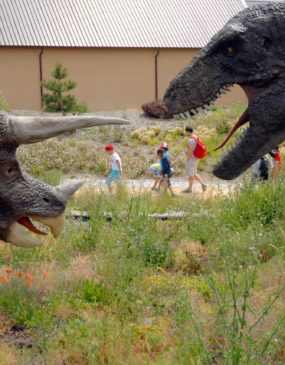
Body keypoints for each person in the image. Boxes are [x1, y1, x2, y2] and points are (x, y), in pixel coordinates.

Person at [183, 127, 207, 193]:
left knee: (190, 174)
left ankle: (189, 189)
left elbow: (190, 151)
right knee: (194, 173)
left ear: (188, 132)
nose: (186, 133)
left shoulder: (190, 140)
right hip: (197, 158)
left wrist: (188, 159)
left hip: (192, 159)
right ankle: (203, 184)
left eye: (186, 132)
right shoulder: (196, 137)